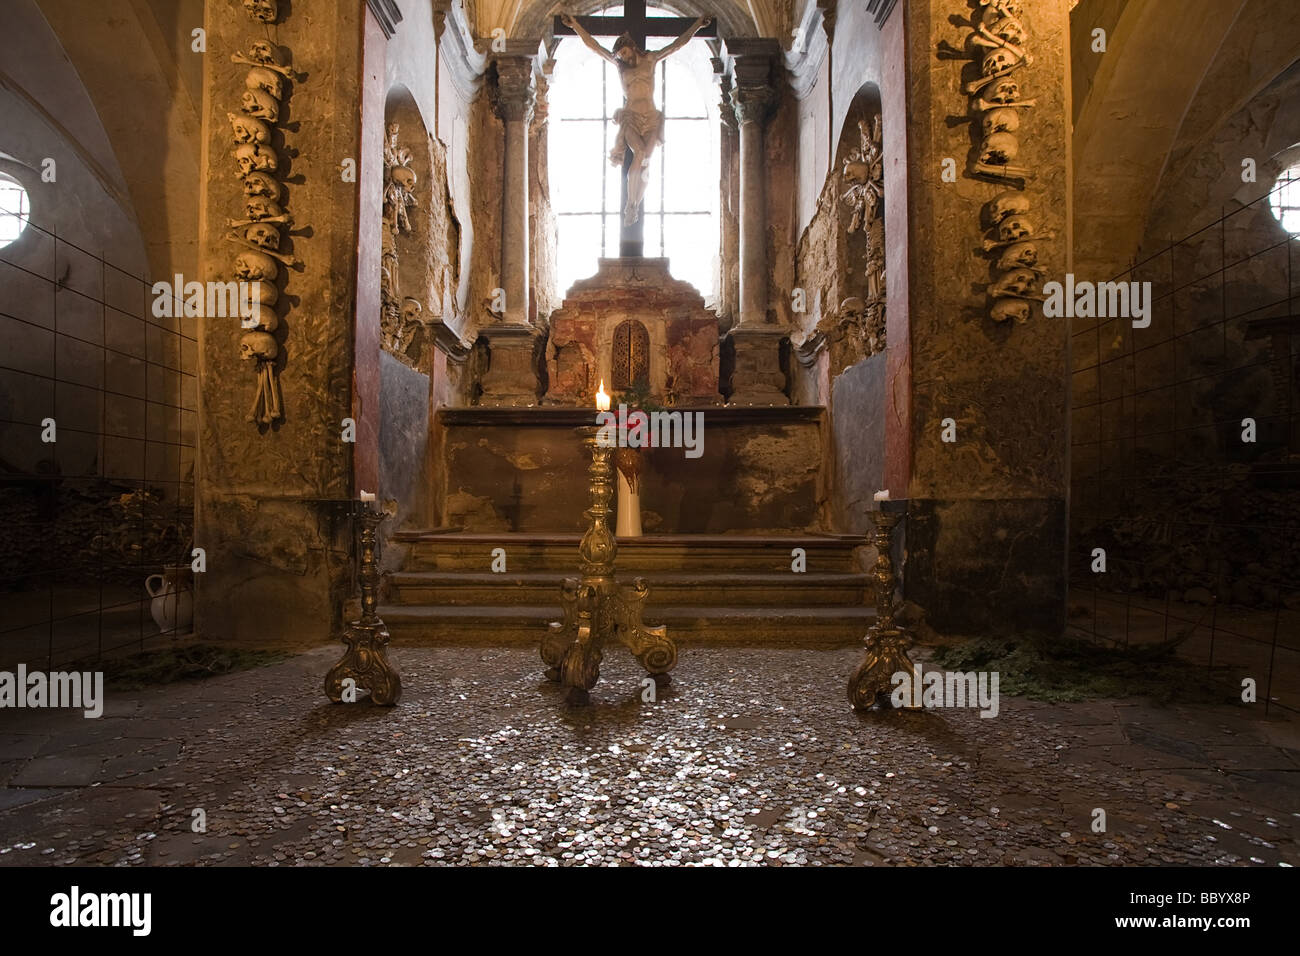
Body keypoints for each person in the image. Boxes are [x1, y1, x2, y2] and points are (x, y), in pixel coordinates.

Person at [561, 11, 712, 224]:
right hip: (631, 116)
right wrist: (575, 25)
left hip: (651, 117)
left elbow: (677, 44)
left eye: (623, 52)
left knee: (647, 163)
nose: (622, 57)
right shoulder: (620, 67)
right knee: (639, 153)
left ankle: (636, 204)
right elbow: (594, 46)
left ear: (631, 46)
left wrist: (697, 25)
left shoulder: (651, 59)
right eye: (620, 55)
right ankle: (629, 204)